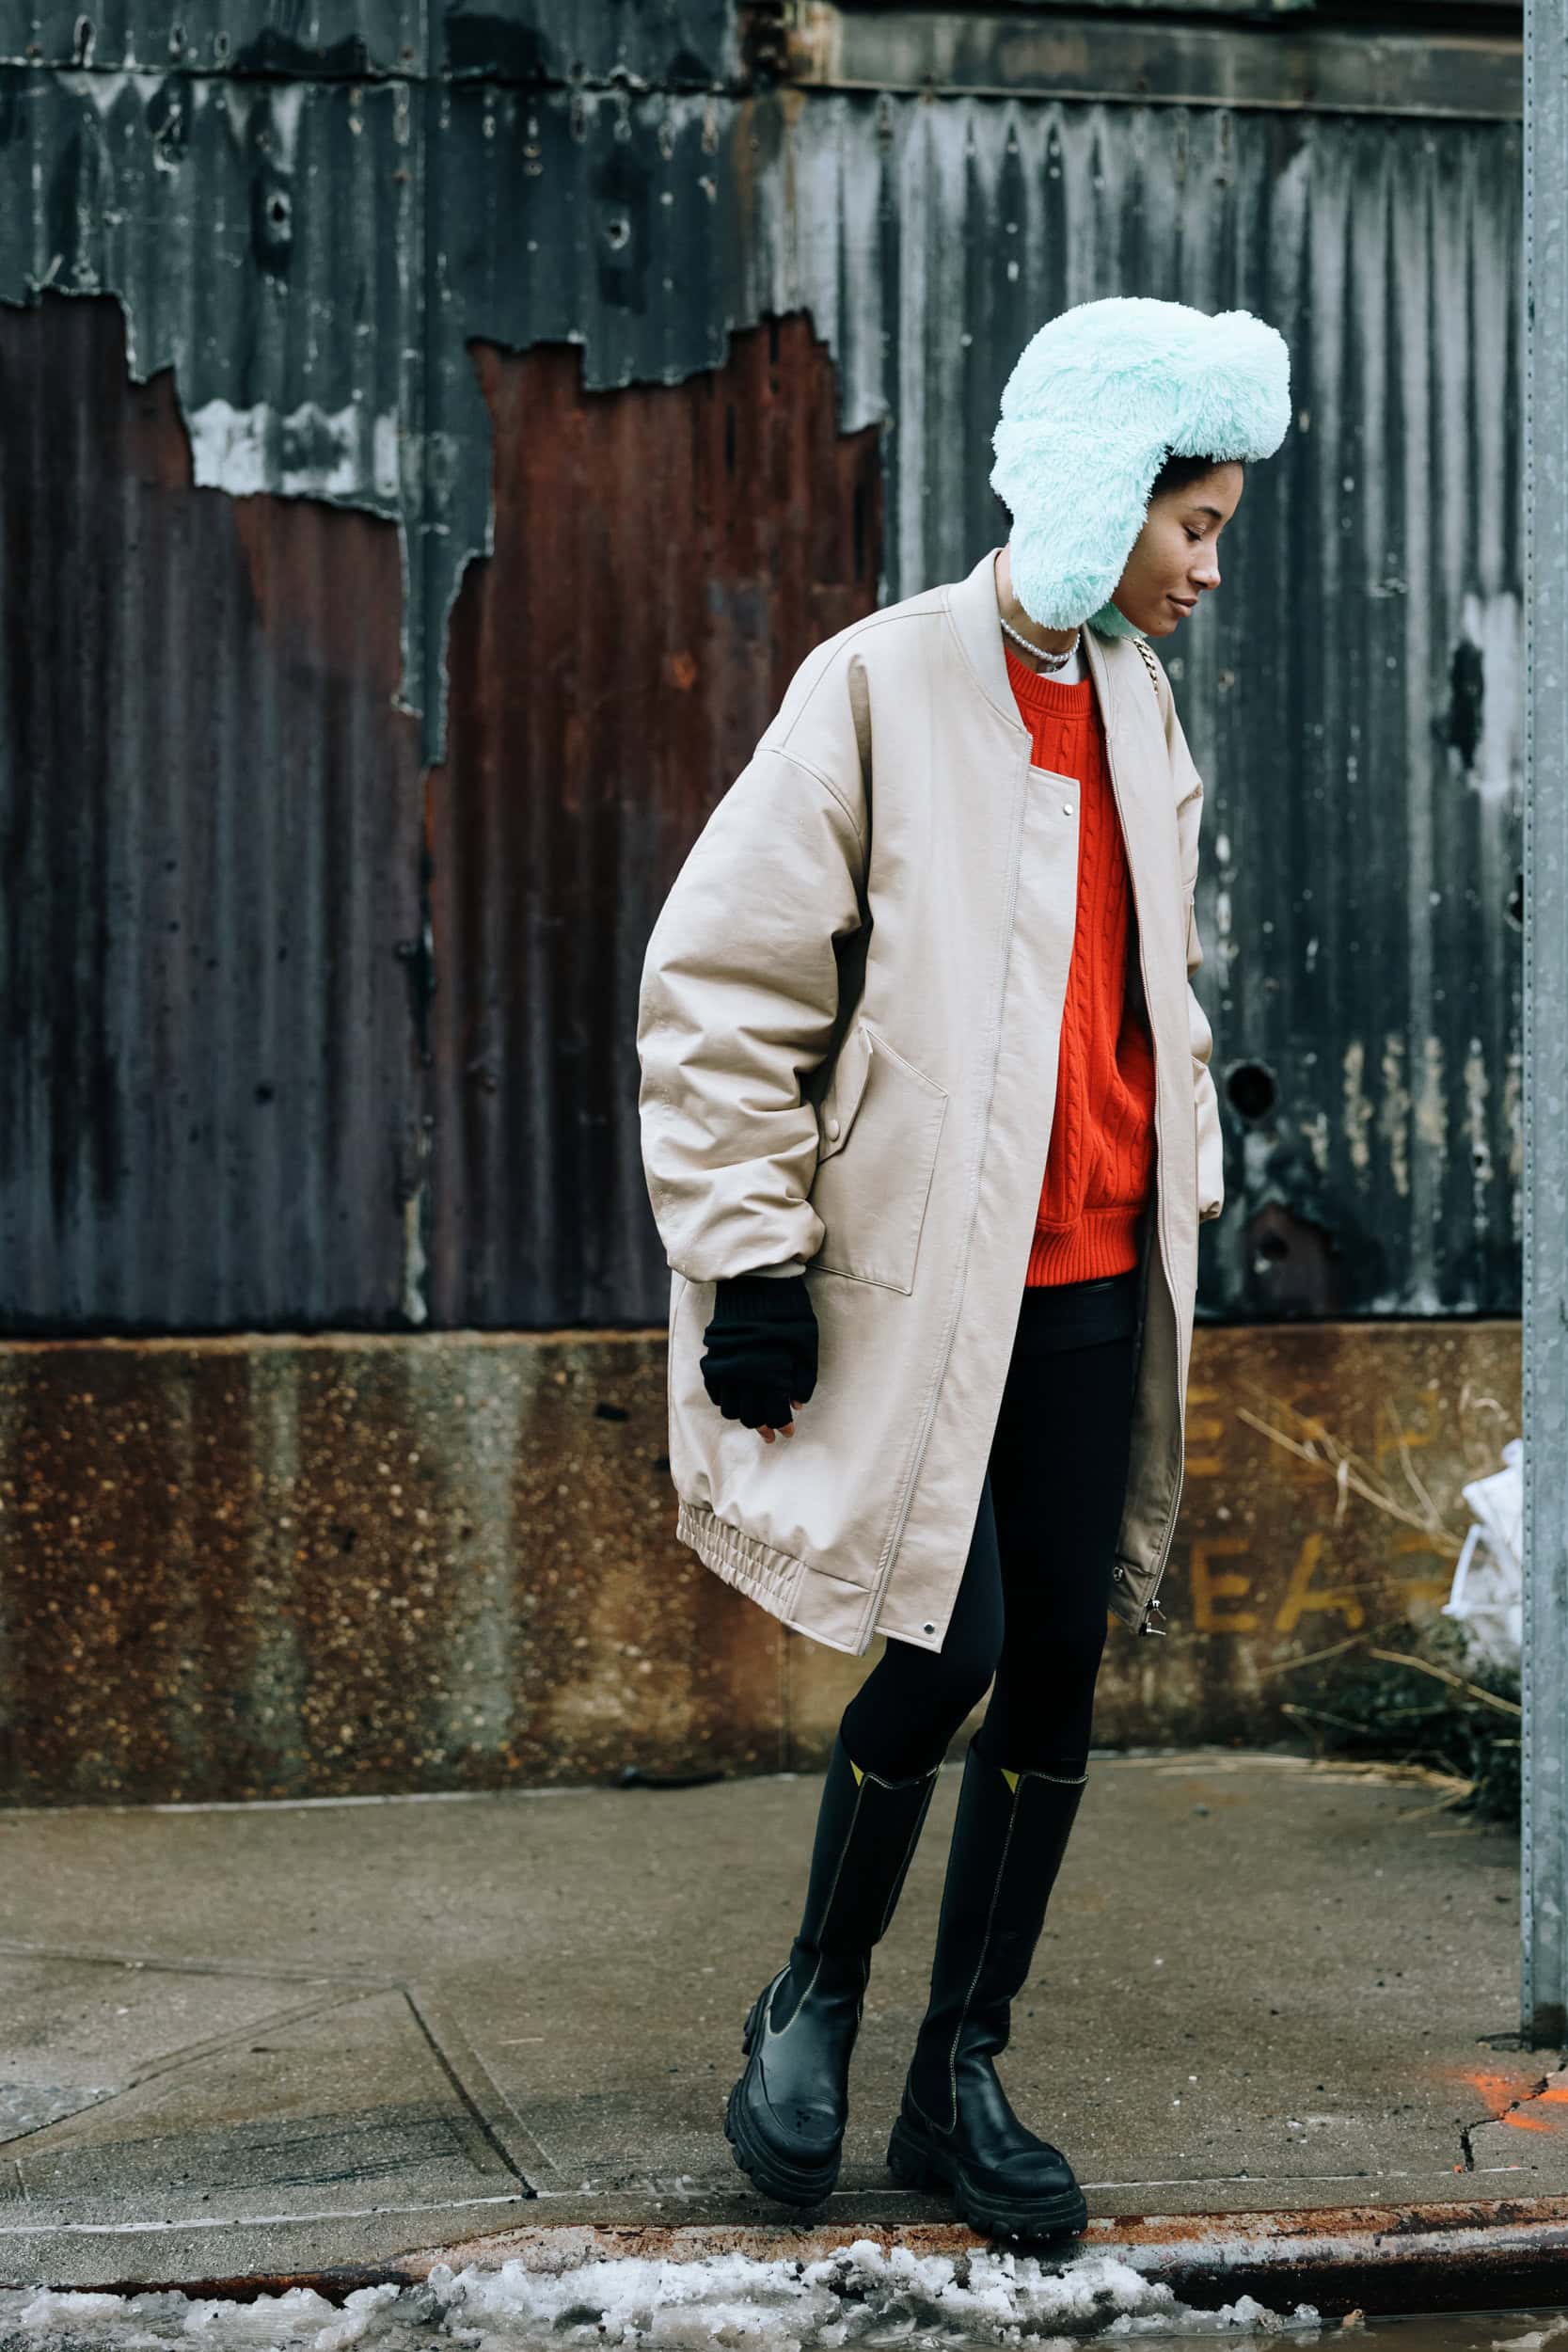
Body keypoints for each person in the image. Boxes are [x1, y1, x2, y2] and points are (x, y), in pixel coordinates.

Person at [635, 296, 1291, 2241]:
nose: (1210, 567)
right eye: (1194, 525)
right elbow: (725, 982)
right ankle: (811, 2000)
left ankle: (959, 2075)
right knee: (954, 1640)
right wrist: (750, 1255)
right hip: (925, 1287)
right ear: (1102, 490)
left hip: (1097, 1272)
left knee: (1062, 1664)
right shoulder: (882, 682)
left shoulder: (1140, 704)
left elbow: (1148, 987)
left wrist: (1181, 1170)